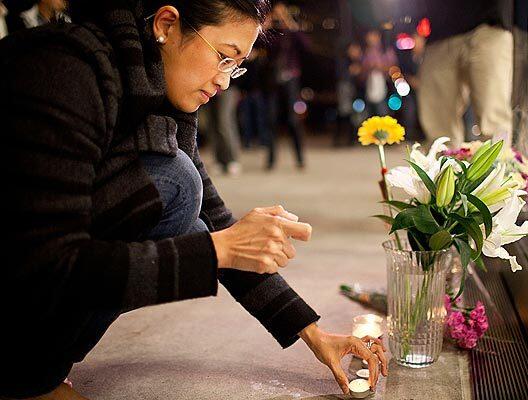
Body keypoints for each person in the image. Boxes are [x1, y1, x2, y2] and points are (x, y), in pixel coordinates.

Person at [0, 1, 388, 399]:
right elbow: (44, 262)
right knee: (178, 185)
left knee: (191, 211)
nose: (224, 82)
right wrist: (215, 251)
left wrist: (311, 332)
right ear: (167, 24)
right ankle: (26, 376)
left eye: (235, 67)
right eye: (223, 57)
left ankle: (39, 369)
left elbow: (215, 218)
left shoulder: (156, 82)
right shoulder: (66, 69)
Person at [415, 0, 514, 145]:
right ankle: (443, 166)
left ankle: (500, 165)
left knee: (493, 117)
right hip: (439, 29)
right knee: (438, 129)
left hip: (490, 23)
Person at [264, 1, 308, 170]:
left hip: (291, 80)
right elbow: (260, 45)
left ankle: (300, 158)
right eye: (277, 14)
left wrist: (289, 23)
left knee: (293, 120)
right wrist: (266, 26)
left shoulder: (291, 33)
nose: (279, 18)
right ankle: (271, 160)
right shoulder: (272, 34)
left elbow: (306, 45)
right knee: (270, 119)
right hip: (273, 81)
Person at [361, 29, 396, 117]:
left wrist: (380, 67)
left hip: (385, 86)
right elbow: (363, 70)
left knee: (383, 114)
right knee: (369, 115)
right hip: (369, 87)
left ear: (378, 36)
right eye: (368, 37)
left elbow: (394, 67)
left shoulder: (386, 50)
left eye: (372, 36)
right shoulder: (366, 52)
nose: (370, 39)